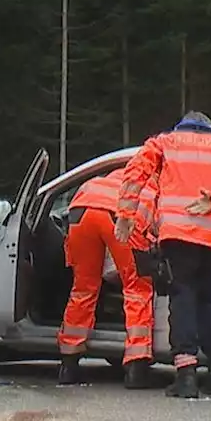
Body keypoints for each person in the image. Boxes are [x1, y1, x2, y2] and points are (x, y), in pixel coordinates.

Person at [114, 111, 211, 398]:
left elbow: (134, 175)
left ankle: (186, 375)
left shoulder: (165, 142)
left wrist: (126, 215)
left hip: (179, 233)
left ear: (182, 127)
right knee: (209, 297)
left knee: (183, 297)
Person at [57, 167, 160, 389]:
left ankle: (68, 364)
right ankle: (136, 368)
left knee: (83, 288)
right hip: (119, 215)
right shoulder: (155, 186)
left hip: (81, 211)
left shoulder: (118, 174)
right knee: (137, 288)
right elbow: (154, 226)